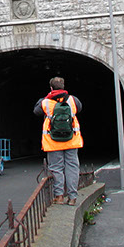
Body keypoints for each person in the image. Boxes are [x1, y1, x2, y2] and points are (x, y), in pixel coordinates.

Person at [34, 76, 83, 206]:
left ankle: (59, 196)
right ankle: (72, 197)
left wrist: (46, 97)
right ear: (63, 87)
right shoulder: (73, 100)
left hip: (53, 142)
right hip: (71, 140)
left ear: (51, 88)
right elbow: (80, 108)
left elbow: (36, 111)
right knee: (72, 167)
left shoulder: (45, 103)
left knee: (56, 168)